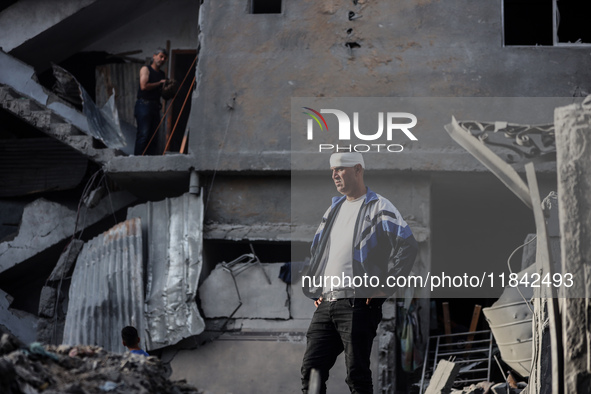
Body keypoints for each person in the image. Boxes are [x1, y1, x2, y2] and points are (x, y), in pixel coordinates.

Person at [300, 152, 418, 394]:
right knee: (311, 370)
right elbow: (318, 252)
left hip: (357, 303)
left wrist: (385, 287)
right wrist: (316, 290)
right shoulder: (333, 209)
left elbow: (408, 244)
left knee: (357, 374)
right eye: (332, 170)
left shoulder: (379, 206)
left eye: (340, 169)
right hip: (327, 303)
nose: (334, 175)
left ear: (357, 170)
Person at [134, 48, 168, 156]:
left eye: (165, 58)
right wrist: (159, 83)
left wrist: (169, 89)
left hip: (155, 107)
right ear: (154, 56)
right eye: (160, 56)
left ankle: (149, 163)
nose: (162, 59)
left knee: (153, 137)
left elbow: (162, 92)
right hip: (144, 105)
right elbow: (143, 86)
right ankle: (137, 161)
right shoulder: (146, 69)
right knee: (144, 135)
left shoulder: (162, 74)